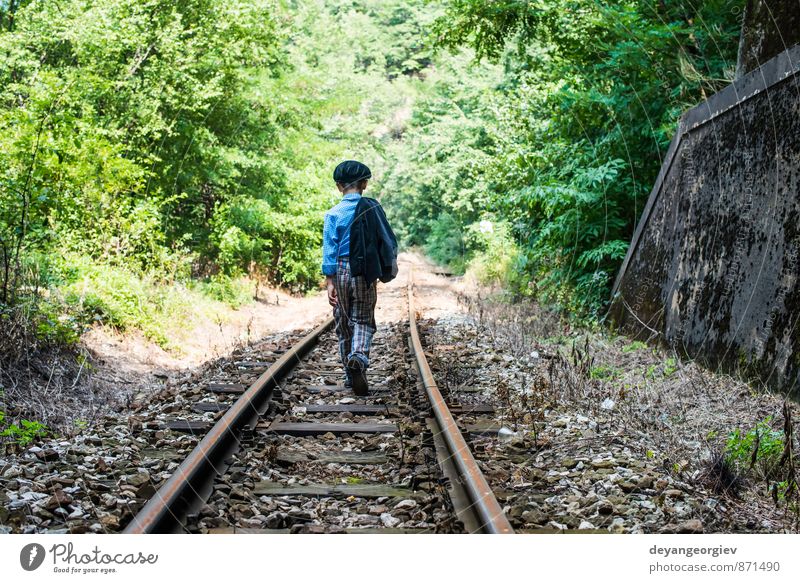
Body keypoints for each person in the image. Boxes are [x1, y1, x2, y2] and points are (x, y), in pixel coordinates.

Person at [322, 160, 398, 396]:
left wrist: (330, 281)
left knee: (344, 323)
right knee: (363, 319)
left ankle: (348, 373)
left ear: (338, 186)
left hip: (341, 269)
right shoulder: (371, 209)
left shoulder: (333, 214)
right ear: (364, 184)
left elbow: (329, 249)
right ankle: (359, 356)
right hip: (364, 272)